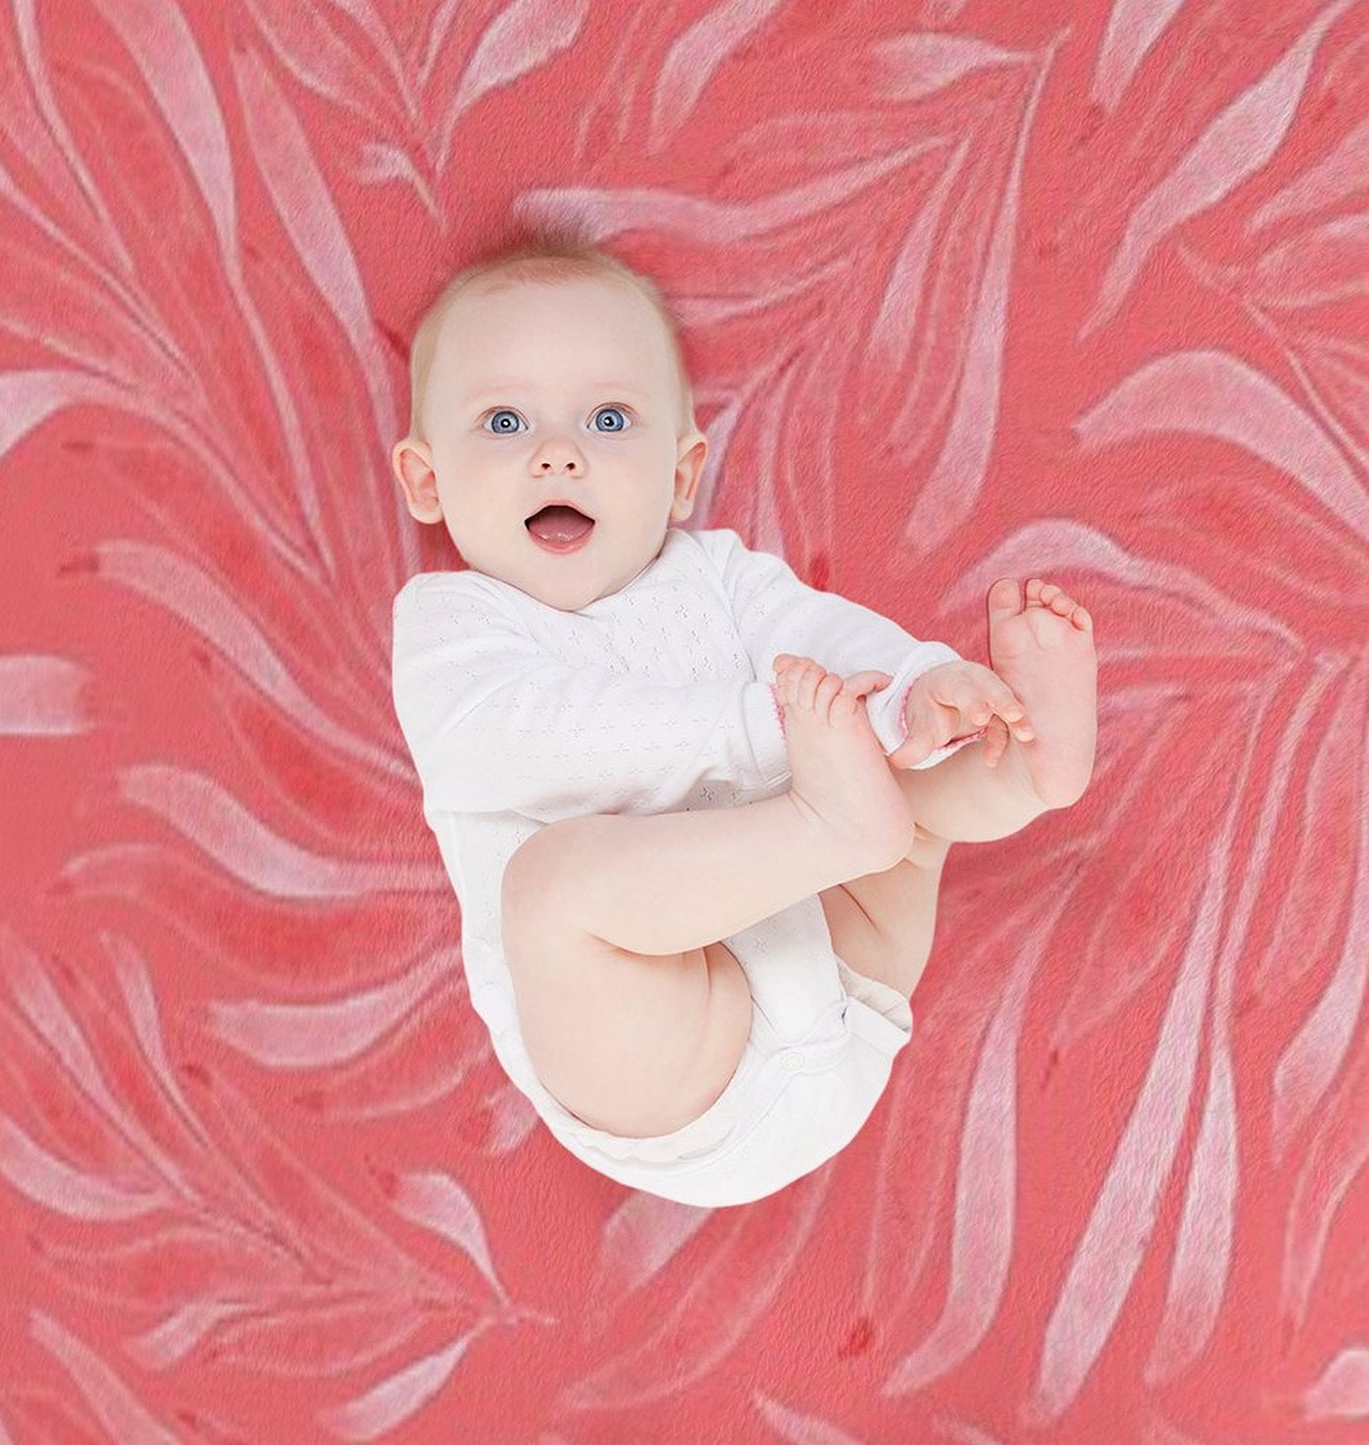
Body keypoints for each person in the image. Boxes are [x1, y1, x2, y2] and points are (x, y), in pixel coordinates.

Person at [389, 232, 1098, 1207]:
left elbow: (820, 635)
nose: (558, 451)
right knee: (550, 888)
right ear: (426, 480)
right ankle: (835, 821)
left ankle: (1016, 767)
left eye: (607, 417)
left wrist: (913, 690)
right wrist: (764, 730)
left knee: (901, 783)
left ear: (680, 475)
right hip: (676, 1068)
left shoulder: (715, 574)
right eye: (503, 420)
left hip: (849, 975)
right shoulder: (451, 626)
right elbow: (534, 737)